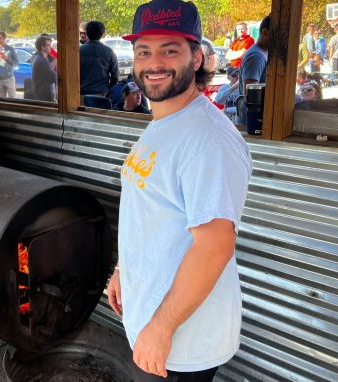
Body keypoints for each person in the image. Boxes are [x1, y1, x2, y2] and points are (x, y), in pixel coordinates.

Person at [112, 1, 252, 380]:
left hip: (179, 342)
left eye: (170, 50)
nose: (154, 62)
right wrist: (123, 268)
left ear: (197, 56)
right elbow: (153, 211)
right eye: (144, 51)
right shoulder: (165, 120)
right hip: (153, 323)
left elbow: (214, 245)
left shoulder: (207, 138)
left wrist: (161, 329)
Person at [80, 21, 119, 96]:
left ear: (87, 33)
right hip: (101, 95)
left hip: (80, 95)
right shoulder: (109, 52)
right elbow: (115, 77)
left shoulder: (78, 51)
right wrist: (108, 91)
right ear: (102, 35)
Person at [239, 16, 271, 104]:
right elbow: (252, 100)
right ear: (265, 33)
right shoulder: (256, 56)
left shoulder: (264, 52)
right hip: (254, 117)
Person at [0, 31, 19, 98]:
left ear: (4, 38)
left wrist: (7, 58)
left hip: (9, 78)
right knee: (1, 101)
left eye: (0, 38)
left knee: (13, 99)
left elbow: (16, 63)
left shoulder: (10, 49)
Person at [28, 35, 57, 102]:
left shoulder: (44, 57)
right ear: (42, 47)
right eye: (49, 45)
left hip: (44, 93)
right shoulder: (40, 60)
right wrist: (53, 65)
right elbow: (52, 78)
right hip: (42, 96)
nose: (51, 47)